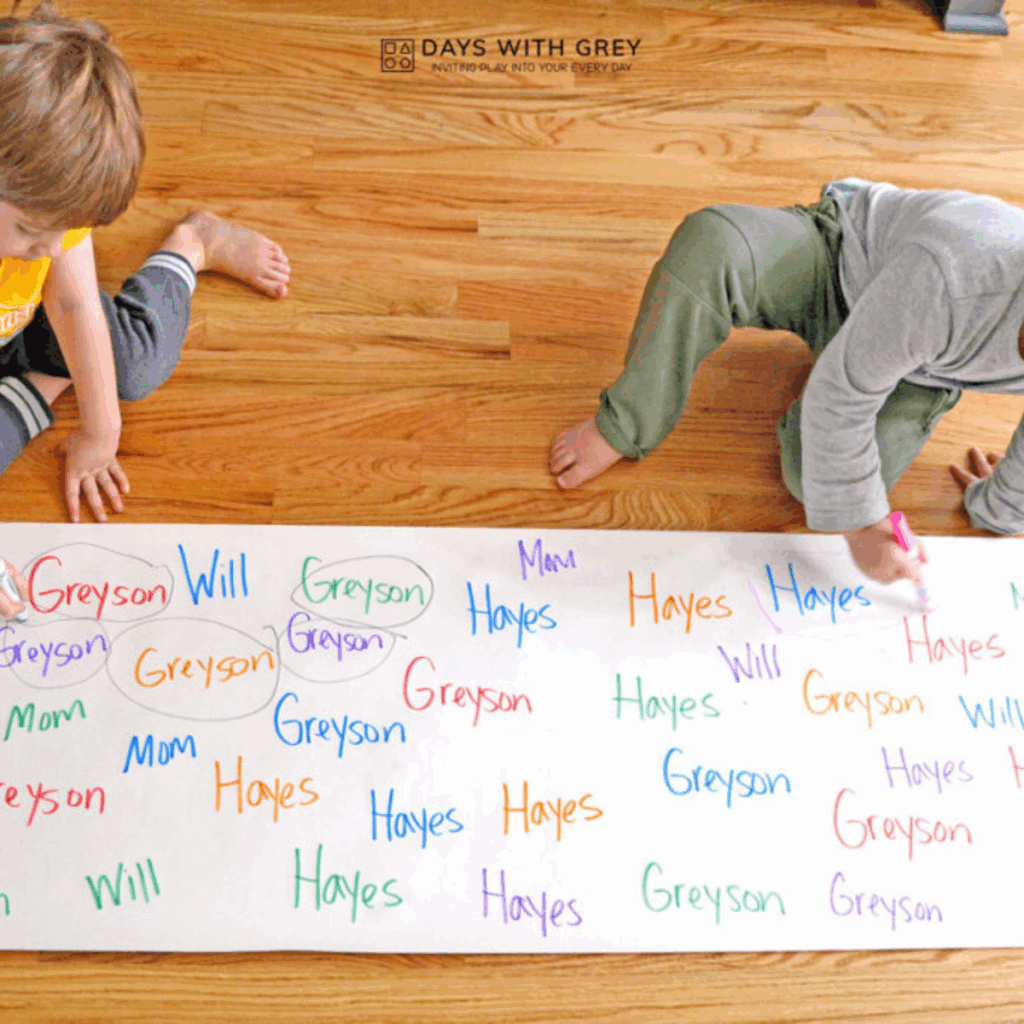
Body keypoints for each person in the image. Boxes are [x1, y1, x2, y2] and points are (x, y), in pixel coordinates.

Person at [550, 177, 1023, 584]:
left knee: (811, 480)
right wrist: (862, 528)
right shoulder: (956, 276)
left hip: (919, 366)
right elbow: (841, 395)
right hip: (843, 263)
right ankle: (627, 424)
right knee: (710, 244)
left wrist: (1002, 509)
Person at [0, 0, 291, 524]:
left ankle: (193, 244)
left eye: (67, 231)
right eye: (29, 230)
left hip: (20, 324)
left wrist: (101, 431)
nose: (49, 248)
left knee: (134, 368)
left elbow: (72, 298)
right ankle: (43, 382)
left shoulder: (46, 207)